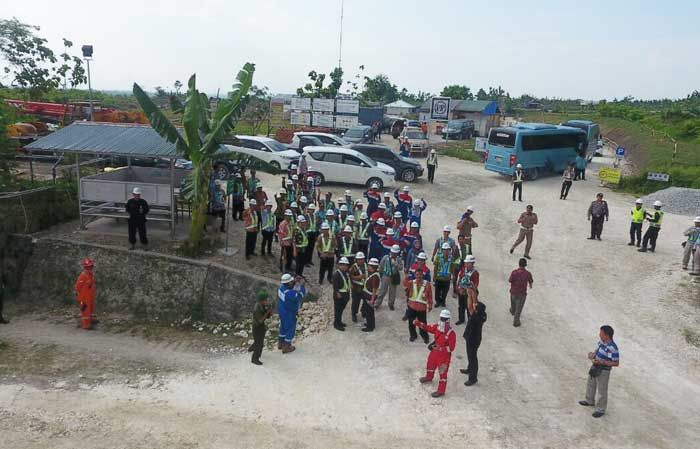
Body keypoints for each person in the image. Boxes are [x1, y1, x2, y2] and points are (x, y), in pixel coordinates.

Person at [579, 325, 620, 418]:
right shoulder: (602, 343)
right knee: (591, 383)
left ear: (607, 335)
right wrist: (593, 355)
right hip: (595, 366)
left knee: (602, 390)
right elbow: (597, 351)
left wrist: (603, 362)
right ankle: (589, 400)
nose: (599, 335)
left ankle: (601, 409)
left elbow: (616, 363)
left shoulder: (612, 348)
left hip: (604, 370)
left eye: (601, 333)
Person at [417, 309, 457, 398]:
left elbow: (451, 348)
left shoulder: (451, 333)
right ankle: (429, 377)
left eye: (444, 319)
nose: (442, 320)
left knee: (442, 373)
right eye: (441, 318)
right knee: (430, 364)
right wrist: (419, 324)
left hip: (444, 357)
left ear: (448, 320)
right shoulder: (438, 327)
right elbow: (429, 328)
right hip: (435, 352)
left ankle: (441, 390)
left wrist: (441, 349)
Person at [277, 273, 306, 354]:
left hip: (282, 310)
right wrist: (302, 286)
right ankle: (286, 346)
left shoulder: (281, 287)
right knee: (291, 328)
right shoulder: (290, 294)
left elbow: (289, 286)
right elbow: (301, 295)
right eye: (291, 281)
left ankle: (280, 343)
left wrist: (294, 281)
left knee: (283, 327)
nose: (292, 282)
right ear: (288, 283)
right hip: (289, 312)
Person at [460, 300, 487, 386]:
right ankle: (470, 369)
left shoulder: (477, 317)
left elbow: (469, 307)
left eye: (476, 307)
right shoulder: (480, 315)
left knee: (472, 358)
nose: (474, 307)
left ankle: (473, 378)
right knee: (470, 356)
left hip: (473, 339)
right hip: (472, 338)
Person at [406, 268, 433, 343]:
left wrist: (430, 304)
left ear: (423, 275)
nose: (419, 276)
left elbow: (430, 295)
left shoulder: (427, 284)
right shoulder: (411, 282)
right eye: (417, 275)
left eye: (420, 275)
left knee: (423, 324)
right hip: (412, 307)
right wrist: (406, 276)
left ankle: (425, 336)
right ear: (415, 275)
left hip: (422, 309)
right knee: (411, 323)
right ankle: (413, 335)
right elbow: (404, 284)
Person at [508, 258, 534, 327]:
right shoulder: (528, 274)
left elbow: (510, 280)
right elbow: (530, 281)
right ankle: (516, 322)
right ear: (525, 265)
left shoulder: (514, 272)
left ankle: (512, 310)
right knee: (519, 308)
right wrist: (530, 285)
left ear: (519, 264)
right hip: (522, 294)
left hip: (513, 292)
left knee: (513, 304)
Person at [249, 290, 272, 365]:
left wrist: (269, 312)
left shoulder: (262, 305)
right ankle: (255, 359)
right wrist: (267, 312)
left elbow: (266, 316)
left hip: (260, 327)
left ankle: (252, 348)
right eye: (266, 299)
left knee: (258, 340)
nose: (267, 300)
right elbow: (260, 321)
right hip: (257, 327)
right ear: (262, 300)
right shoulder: (257, 308)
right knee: (259, 344)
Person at [377, 244, 403, 310]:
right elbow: (381, 266)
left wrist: (396, 265)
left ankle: (391, 304)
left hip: (394, 276)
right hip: (386, 276)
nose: (394, 254)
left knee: (393, 292)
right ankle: (377, 303)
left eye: (395, 253)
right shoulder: (385, 257)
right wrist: (381, 275)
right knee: (382, 291)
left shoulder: (399, 259)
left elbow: (401, 268)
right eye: (393, 252)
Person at [74, 258, 96, 330]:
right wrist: (79, 295)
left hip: (90, 296)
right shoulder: (83, 276)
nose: (90, 268)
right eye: (89, 267)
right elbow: (77, 287)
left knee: (90, 308)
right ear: (85, 267)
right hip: (83, 297)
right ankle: (86, 325)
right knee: (85, 311)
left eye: (91, 266)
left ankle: (90, 320)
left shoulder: (90, 275)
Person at [456, 255, 478, 324]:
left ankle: (470, 321)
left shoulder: (475, 273)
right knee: (461, 306)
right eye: (466, 263)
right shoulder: (463, 270)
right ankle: (461, 319)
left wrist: (470, 287)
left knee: (469, 308)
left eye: (468, 263)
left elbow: (476, 284)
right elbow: (459, 278)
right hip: (461, 291)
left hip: (469, 293)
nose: (466, 264)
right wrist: (458, 287)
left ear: (472, 264)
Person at [332, 257, 351, 331]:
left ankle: (339, 322)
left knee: (341, 310)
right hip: (339, 296)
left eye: (346, 265)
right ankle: (336, 324)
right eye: (342, 265)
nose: (344, 266)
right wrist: (337, 293)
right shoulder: (336, 274)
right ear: (339, 265)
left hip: (345, 295)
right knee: (338, 311)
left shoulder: (346, 273)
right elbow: (335, 286)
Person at [362, 258, 381, 332]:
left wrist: (372, 300)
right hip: (368, 296)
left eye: (369, 265)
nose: (368, 267)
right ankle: (370, 324)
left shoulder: (375, 276)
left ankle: (370, 327)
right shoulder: (373, 274)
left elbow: (374, 289)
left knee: (369, 312)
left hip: (370, 297)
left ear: (372, 266)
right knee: (369, 312)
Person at [433, 242, 453, 308]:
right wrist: (434, 276)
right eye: (444, 250)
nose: (446, 251)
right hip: (439, 278)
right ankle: (438, 302)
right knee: (437, 292)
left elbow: (453, 268)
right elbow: (435, 267)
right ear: (442, 250)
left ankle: (443, 301)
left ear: (450, 250)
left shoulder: (451, 258)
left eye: (447, 250)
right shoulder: (438, 257)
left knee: (445, 292)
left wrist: (452, 276)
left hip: (447, 279)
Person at [349, 252, 368, 323]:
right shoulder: (353, 267)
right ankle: (354, 314)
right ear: (356, 260)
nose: (361, 261)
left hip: (365, 287)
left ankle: (363, 311)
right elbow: (350, 277)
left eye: (362, 259)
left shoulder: (367, 266)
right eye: (359, 259)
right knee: (355, 302)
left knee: (366, 301)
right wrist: (358, 277)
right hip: (356, 288)